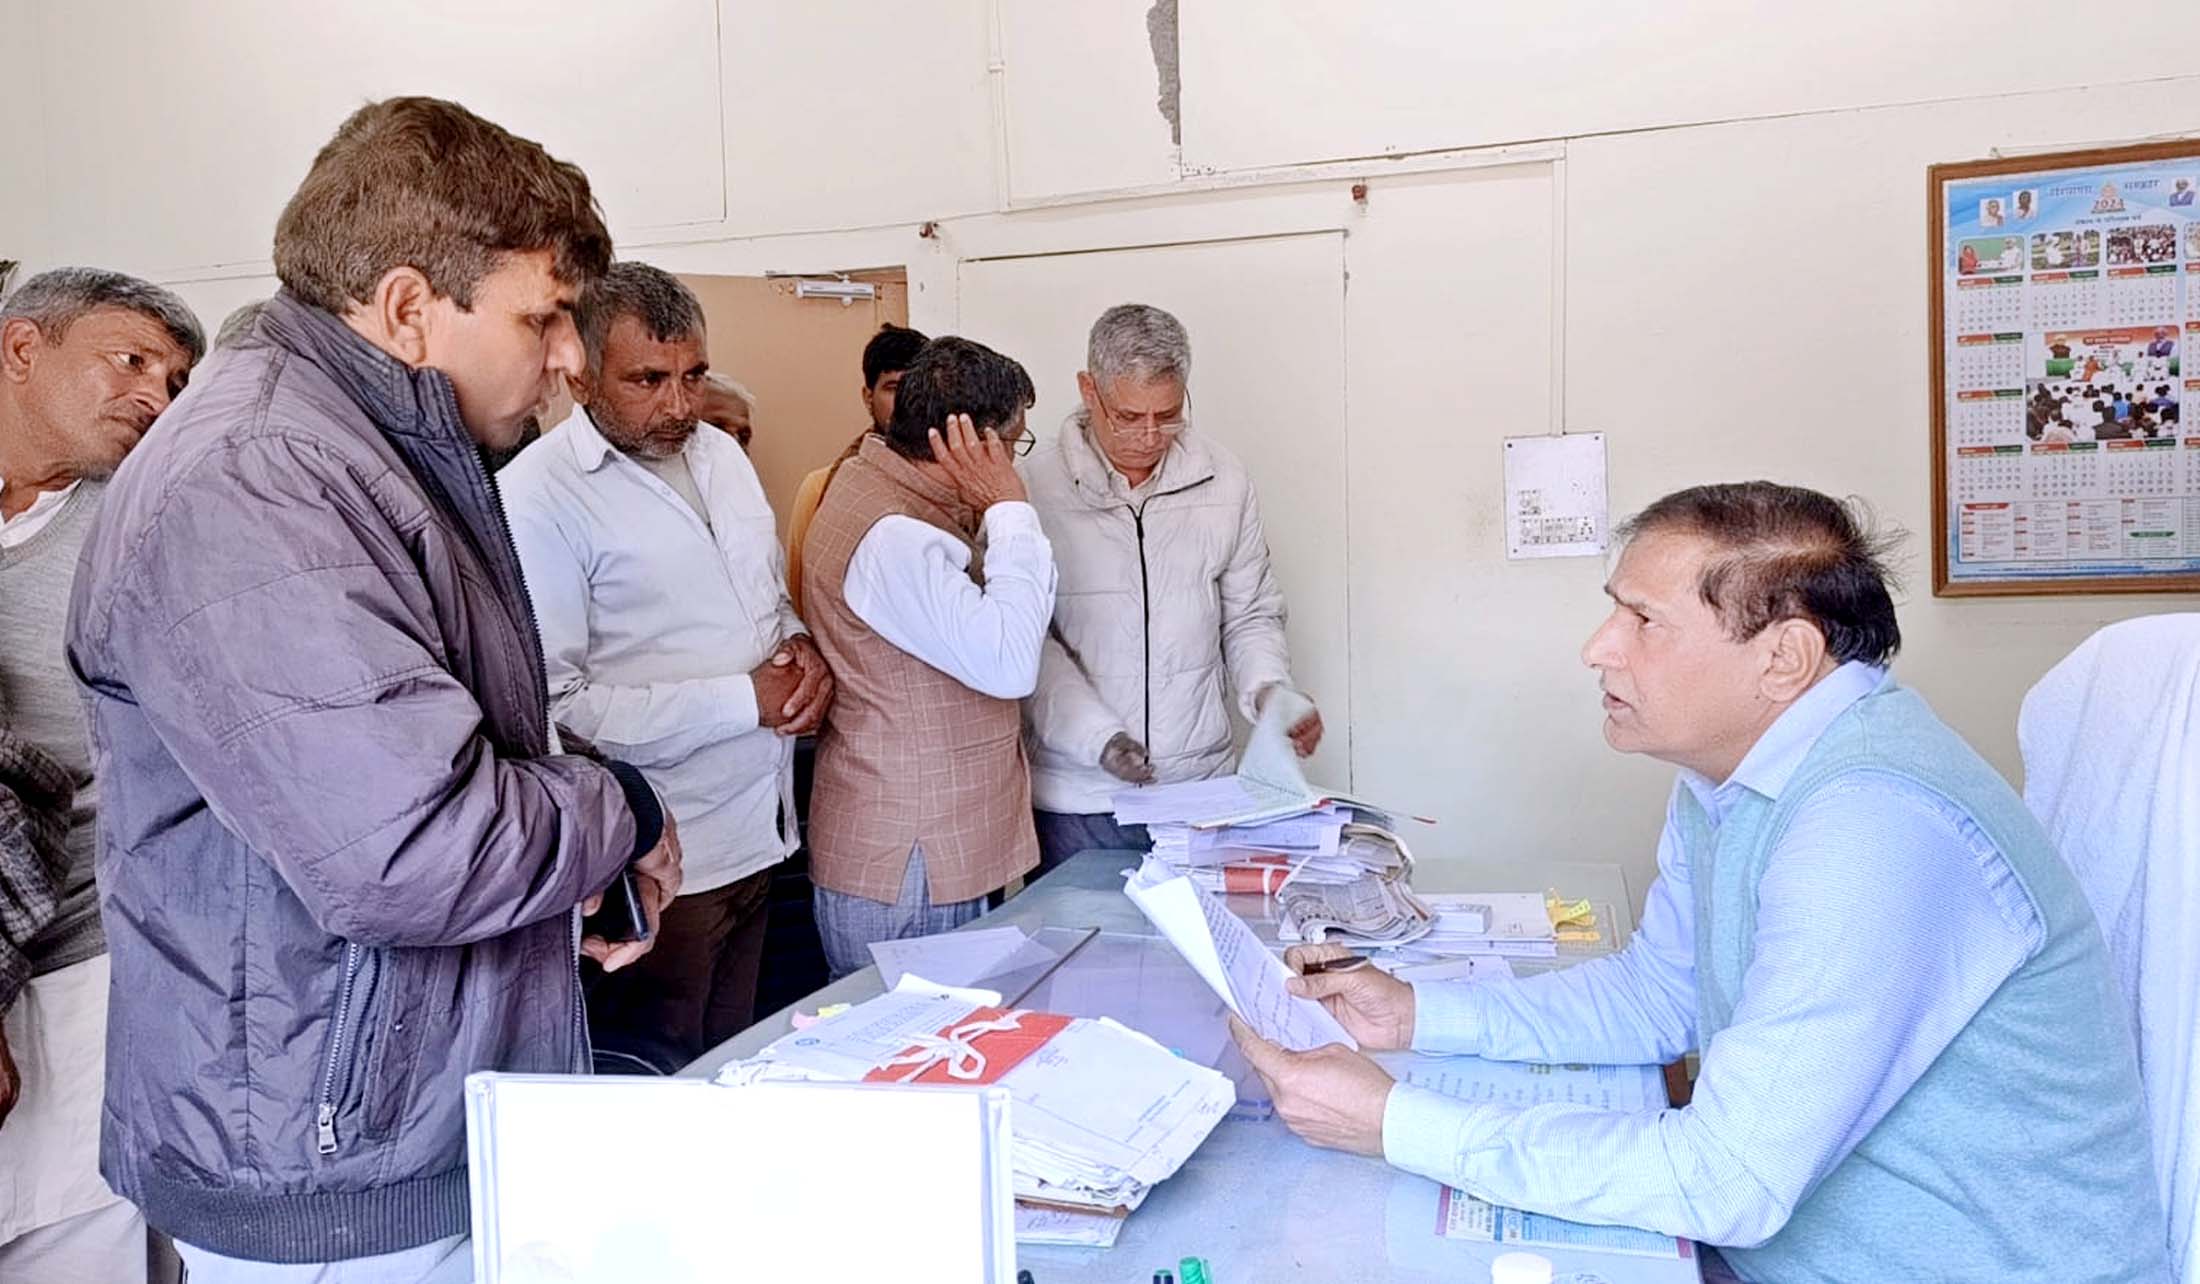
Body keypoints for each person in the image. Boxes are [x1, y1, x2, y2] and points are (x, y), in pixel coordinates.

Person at [1230, 482, 2170, 1284]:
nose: (1600, 646)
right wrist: (1414, 1018)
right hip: (1800, 1250)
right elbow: (1661, 995)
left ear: (1784, 659)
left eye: (1644, 620)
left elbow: (1729, 1180)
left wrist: (1396, 1121)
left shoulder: (1874, 821)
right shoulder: (1733, 774)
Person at [66, 97, 683, 1281]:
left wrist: (568, 865)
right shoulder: (256, 479)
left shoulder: (366, 446)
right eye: (543, 318)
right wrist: (623, 810)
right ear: (408, 308)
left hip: (391, 1125)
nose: (568, 358)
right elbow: (414, 849)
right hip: (337, 1177)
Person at [503, 262, 831, 1072]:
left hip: (762, 834)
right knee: (664, 1086)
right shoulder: (537, 498)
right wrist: (744, 701)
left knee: (741, 1066)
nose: (679, 404)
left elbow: (756, 597)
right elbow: (558, 710)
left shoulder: (718, 453)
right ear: (578, 376)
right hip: (661, 865)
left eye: (693, 375)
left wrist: (801, 650)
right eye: (648, 379)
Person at [0, 267, 202, 1282]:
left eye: (172, 380)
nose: (153, 398)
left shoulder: (140, 528)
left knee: (82, 1241)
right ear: (22, 348)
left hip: (85, 955)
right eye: (130, 362)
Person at [1022, 303, 1319, 872]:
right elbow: (1032, 641)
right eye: (1129, 417)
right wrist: (1099, 738)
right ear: (1089, 389)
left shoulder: (1223, 478)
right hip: (1080, 801)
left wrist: (1269, 693)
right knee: (1091, 955)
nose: (1151, 435)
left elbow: (1251, 613)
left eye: (1169, 414)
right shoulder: (1033, 487)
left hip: (1198, 792)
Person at [801, 336, 1053, 979]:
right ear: (970, 444)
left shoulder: (882, 485)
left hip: (932, 841)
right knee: (912, 1057)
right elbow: (1009, 661)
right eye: (1013, 444)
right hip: (911, 853)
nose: (1014, 464)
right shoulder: (896, 537)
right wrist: (1011, 509)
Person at [785, 322, 927, 620]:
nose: (906, 402)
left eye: (917, 388)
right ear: (867, 396)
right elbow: (802, 594)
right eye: (893, 388)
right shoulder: (822, 488)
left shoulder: (956, 485)